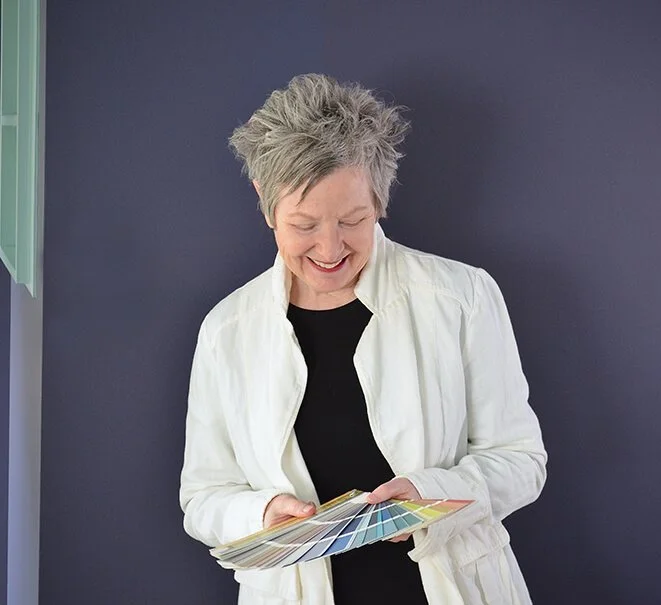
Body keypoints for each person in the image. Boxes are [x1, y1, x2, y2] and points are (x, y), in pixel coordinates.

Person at [179, 74, 547, 605]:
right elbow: (203, 497)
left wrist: (431, 494)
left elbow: (520, 461)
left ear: (380, 198)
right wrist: (263, 514)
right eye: (304, 224)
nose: (330, 248)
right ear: (264, 203)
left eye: (354, 219)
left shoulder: (461, 296)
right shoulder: (226, 330)